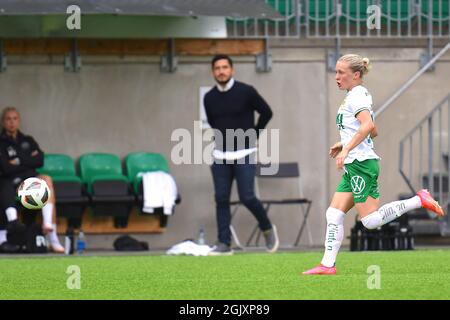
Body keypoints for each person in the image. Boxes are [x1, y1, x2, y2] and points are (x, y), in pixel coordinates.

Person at [302, 54, 445, 275]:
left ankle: (419, 200)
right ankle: (327, 265)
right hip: (355, 164)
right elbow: (373, 129)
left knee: (369, 221)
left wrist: (348, 148)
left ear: (356, 75)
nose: (336, 76)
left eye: (341, 72)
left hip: (361, 165)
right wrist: (344, 143)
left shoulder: (357, 95)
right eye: (336, 71)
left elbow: (368, 125)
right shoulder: (354, 95)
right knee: (334, 214)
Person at [204, 54, 279, 255]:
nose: (221, 71)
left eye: (225, 67)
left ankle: (267, 228)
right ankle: (224, 243)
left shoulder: (246, 92)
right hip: (220, 155)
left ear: (232, 70)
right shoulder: (209, 98)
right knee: (221, 199)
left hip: (245, 153)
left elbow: (267, 112)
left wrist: (254, 133)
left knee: (247, 197)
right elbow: (213, 122)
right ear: (213, 72)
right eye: (217, 68)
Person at [0, 106, 64, 253]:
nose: (12, 122)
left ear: (19, 121)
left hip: (30, 180)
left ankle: (49, 229)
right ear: (3, 122)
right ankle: (52, 237)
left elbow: (40, 160)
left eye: (15, 118)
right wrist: (28, 159)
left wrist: (17, 160)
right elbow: (5, 168)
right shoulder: (1, 142)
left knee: (47, 180)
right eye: (8, 119)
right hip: (12, 183)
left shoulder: (27, 140)